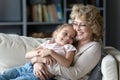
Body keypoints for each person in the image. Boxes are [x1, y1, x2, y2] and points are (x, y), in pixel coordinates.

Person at [32, 4, 103, 80]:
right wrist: (37, 64)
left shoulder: (94, 47)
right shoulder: (71, 41)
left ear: (93, 27)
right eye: (75, 23)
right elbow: (41, 52)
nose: (77, 29)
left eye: (82, 25)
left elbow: (75, 74)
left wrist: (43, 61)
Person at [0, 23, 77, 80]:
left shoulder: (69, 47)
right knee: (4, 75)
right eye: (65, 33)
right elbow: (28, 55)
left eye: (72, 37)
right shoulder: (48, 43)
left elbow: (67, 63)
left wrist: (51, 52)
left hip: (39, 75)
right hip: (27, 67)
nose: (68, 38)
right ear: (56, 34)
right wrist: (41, 55)